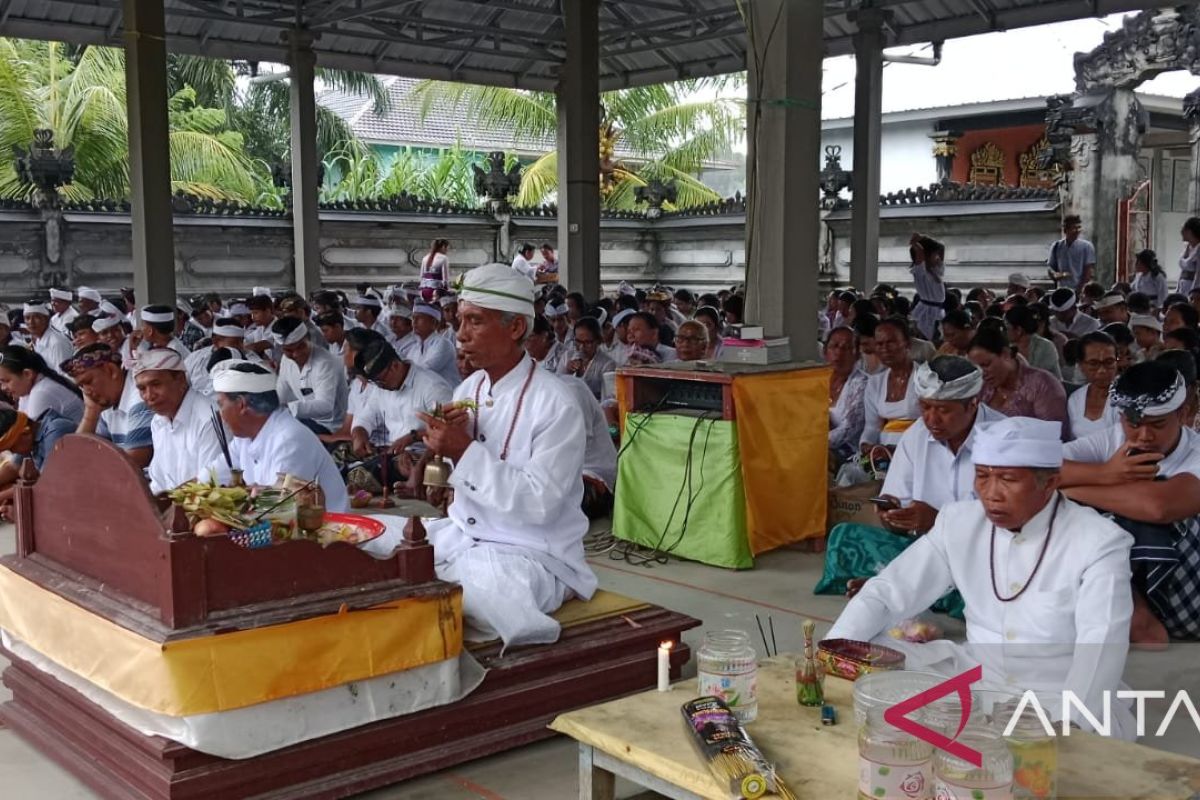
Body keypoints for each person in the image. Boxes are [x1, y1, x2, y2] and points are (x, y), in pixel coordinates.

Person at [828, 417, 1135, 740]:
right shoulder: (959, 521)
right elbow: (889, 592)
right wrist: (832, 654)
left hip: (1056, 692)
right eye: (982, 476)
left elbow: (1101, 644)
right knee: (863, 648)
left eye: (1008, 479)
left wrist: (1070, 725)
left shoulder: (1099, 541)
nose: (991, 494)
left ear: (1050, 482)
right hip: (976, 678)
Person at [378, 262, 597, 648]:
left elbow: (539, 504)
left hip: (530, 553)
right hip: (464, 534)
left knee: (476, 596)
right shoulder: (471, 386)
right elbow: (450, 484)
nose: (460, 335)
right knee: (372, 540)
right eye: (460, 320)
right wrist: (438, 458)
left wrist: (462, 449)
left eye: (475, 321)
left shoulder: (557, 402)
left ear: (515, 329)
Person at [1059, 361, 1200, 646]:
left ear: (1183, 414)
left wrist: (1071, 490)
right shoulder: (1113, 440)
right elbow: (1037, 469)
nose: (1144, 436)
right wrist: (1104, 473)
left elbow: (1159, 507)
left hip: (1187, 586)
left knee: (1106, 512)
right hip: (1132, 572)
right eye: (1133, 424)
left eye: (1157, 425)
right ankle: (1134, 613)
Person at [210, 360, 348, 512]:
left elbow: (279, 509)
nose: (220, 414)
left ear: (241, 404)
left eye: (221, 404)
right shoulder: (243, 438)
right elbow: (210, 477)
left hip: (327, 531)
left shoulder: (290, 439)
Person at [350, 338, 452, 497]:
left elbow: (447, 433)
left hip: (423, 455)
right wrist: (359, 435)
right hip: (392, 451)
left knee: (364, 474)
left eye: (380, 380)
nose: (379, 386)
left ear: (395, 366)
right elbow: (365, 417)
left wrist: (412, 437)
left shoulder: (432, 386)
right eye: (375, 382)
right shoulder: (381, 387)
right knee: (341, 451)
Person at [132, 348, 226, 495]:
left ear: (181, 380)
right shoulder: (158, 422)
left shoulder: (209, 417)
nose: (149, 395)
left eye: (156, 384)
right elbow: (159, 483)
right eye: (142, 389)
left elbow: (210, 485)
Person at [64, 344, 154, 468]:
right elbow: (76, 454)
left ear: (111, 371)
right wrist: (91, 412)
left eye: (88, 382)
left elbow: (131, 464)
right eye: (82, 386)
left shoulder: (140, 397)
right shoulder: (107, 403)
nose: (86, 391)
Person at [968, 327, 1067, 432]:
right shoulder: (982, 386)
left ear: (1005, 354)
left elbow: (1052, 434)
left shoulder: (1042, 384)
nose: (982, 374)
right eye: (977, 369)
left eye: (986, 365)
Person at [270, 316, 349, 436]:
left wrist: (288, 408)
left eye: (301, 346)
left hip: (331, 427)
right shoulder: (286, 360)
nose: (296, 354)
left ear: (309, 339)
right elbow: (281, 392)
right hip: (306, 421)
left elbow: (325, 405)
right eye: (289, 350)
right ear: (282, 349)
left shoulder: (325, 363)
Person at [0, 407, 76, 515]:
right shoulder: (29, 436)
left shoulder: (56, 430)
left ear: (25, 433)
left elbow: (45, 483)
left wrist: (3, 496)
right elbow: (13, 467)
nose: (12, 452)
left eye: (12, 447)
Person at [860, 317, 921, 447]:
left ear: (907, 344)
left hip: (918, 447)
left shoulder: (924, 378)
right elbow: (872, 426)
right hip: (884, 451)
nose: (884, 349)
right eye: (879, 344)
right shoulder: (875, 382)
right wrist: (866, 445)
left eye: (891, 342)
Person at [0, 346, 84, 425]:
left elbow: (27, 435)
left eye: (6, 381)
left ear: (27, 374)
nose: (3, 388)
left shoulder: (41, 393)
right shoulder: (27, 389)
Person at [1068, 331, 1121, 441]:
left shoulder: (1127, 397)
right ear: (1081, 365)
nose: (1102, 370)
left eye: (1109, 362)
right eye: (1093, 363)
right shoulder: (1075, 399)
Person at [825, 327, 868, 463]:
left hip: (849, 453)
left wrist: (812, 444)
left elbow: (848, 429)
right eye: (834, 346)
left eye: (847, 347)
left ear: (857, 355)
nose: (839, 352)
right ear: (825, 351)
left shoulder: (862, 384)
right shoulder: (816, 381)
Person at [185, 317, 250, 397]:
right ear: (216, 341)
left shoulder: (247, 358)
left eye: (242, 341)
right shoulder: (195, 358)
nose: (241, 346)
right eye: (236, 342)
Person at [558, 317, 615, 400]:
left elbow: (609, 400)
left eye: (587, 342)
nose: (581, 347)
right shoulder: (568, 356)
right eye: (578, 341)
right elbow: (557, 387)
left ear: (598, 341)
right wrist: (567, 372)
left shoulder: (607, 365)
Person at [406, 303, 460, 388]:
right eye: (413, 318)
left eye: (419, 318)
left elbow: (425, 371)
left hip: (448, 395)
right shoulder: (414, 349)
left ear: (433, 322)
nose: (414, 321)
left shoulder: (443, 344)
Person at [1004, 305, 1062, 380]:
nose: (1004, 332)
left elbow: (1038, 378)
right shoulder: (1005, 348)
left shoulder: (1045, 347)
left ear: (1018, 330)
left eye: (1007, 327)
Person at [909, 234, 946, 342]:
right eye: (935, 255)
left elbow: (942, 248)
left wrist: (923, 237)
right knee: (927, 338)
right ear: (926, 256)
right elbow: (920, 253)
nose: (938, 257)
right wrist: (916, 244)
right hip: (927, 311)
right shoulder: (920, 272)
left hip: (937, 309)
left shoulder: (936, 269)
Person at [1048, 214, 1097, 291]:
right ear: (1065, 230)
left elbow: (1088, 272)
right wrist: (1057, 275)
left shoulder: (1086, 246)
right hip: (1061, 289)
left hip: (1079, 289)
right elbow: (1051, 268)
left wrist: (1080, 290)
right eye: (1073, 228)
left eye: (1079, 228)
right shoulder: (1057, 246)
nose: (1077, 231)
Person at [22, 303, 73, 372]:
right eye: (27, 318)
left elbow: (64, 375)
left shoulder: (57, 343)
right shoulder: (38, 339)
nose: (31, 322)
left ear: (47, 319)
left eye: (37, 317)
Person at [1179, 217, 1200, 296]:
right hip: (1183, 287)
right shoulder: (1186, 246)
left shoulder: (1199, 249)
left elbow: (1198, 274)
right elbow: (1182, 272)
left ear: (1189, 231)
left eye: (1183, 229)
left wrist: (1194, 293)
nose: (1180, 231)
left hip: (1193, 289)